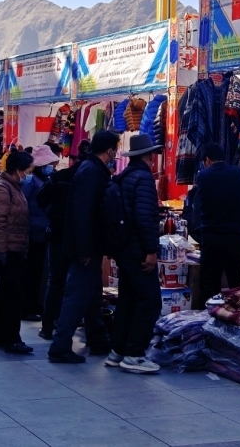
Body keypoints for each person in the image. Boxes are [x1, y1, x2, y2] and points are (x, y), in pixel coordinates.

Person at [48, 130, 120, 364]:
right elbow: (82, 214)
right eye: (115, 149)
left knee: (92, 295)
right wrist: (84, 250)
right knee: (77, 296)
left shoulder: (93, 169)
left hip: (89, 246)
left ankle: (98, 339)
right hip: (85, 248)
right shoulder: (90, 172)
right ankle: (60, 346)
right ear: (109, 150)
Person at [106, 134, 162, 374]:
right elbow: (144, 217)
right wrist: (151, 249)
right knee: (150, 301)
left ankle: (118, 351)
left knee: (127, 301)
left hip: (124, 249)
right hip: (138, 250)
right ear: (149, 156)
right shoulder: (144, 178)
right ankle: (135, 354)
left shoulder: (124, 177)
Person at [37, 139, 91, 340]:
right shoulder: (90, 177)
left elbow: (41, 198)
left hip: (57, 233)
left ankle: (47, 326)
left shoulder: (60, 176)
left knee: (55, 281)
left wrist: (53, 214)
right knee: (75, 283)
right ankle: (63, 325)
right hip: (78, 237)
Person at [0, 149, 35, 354]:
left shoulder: (13, 187)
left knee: (5, 293)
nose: (29, 175)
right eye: (28, 171)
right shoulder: (2, 188)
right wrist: (1, 251)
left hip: (13, 248)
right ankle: (12, 339)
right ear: (19, 170)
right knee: (12, 294)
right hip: (5, 250)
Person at [192, 143, 240, 306]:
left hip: (211, 237)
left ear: (207, 160)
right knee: (239, 284)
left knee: (209, 284)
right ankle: (239, 316)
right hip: (236, 237)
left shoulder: (203, 176)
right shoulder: (239, 173)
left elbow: (198, 207)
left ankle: (207, 316)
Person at [20, 145, 59, 321]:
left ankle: (36, 305)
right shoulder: (30, 182)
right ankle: (28, 307)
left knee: (40, 272)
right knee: (32, 272)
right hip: (32, 233)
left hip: (43, 232)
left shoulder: (46, 180)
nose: (52, 167)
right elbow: (23, 206)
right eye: (49, 164)